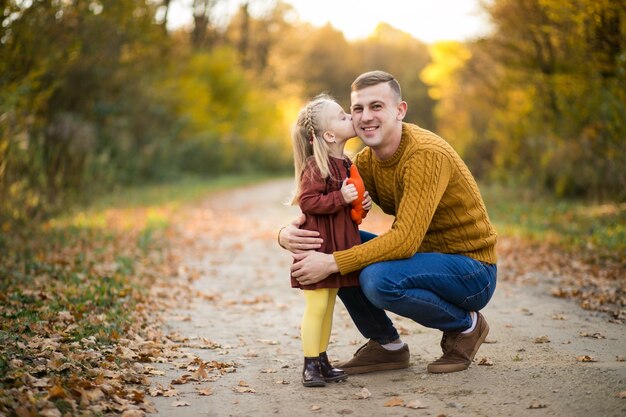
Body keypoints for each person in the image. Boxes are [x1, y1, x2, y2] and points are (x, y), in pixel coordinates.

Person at [278, 70, 498, 375]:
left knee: (373, 278)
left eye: (377, 106)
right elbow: (322, 204)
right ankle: (387, 346)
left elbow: (405, 240)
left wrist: (332, 262)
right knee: (336, 244)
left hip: (471, 269)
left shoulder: (425, 155)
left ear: (400, 110)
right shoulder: (364, 162)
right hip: (423, 257)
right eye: (358, 109)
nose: (366, 117)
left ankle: (467, 326)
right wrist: (285, 233)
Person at [289, 93, 372, 387]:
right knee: (317, 307)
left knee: (328, 307)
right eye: (342, 116)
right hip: (317, 249)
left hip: (336, 247)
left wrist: (359, 204)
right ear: (329, 134)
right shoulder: (316, 166)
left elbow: (346, 206)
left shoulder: (345, 162)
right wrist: (340, 197)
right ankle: (309, 364)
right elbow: (309, 201)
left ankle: (322, 359)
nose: (350, 117)